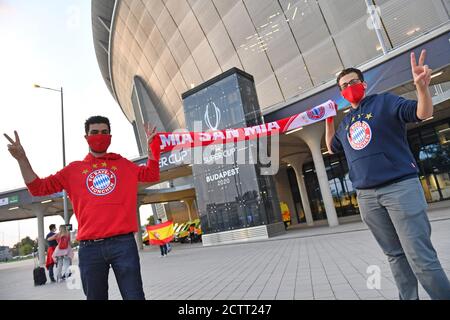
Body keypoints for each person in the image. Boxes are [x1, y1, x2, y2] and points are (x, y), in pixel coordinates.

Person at [325, 49, 450, 300]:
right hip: (367, 197)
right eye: (344, 86)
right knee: (395, 255)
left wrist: (422, 88)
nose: (349, 87)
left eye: (353, 82)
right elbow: (331, 147)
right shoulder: (346, 123)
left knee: (419, 256)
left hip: (400, 189)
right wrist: (329, 121)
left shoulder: (385, 102)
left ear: (364, 84)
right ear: (341, 93)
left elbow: (421, 113)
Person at [4, 116, 160, 300]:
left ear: (110, 136)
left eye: (104, 132)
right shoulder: (73, 170)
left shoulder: (123, 165)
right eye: (94, 132)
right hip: (90, 249)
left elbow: (151, 174)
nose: (99, 136)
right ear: (86, 137)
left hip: (123, 245)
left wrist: (153, 149)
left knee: (134, 296)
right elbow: (38, 188)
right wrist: (22, 159)